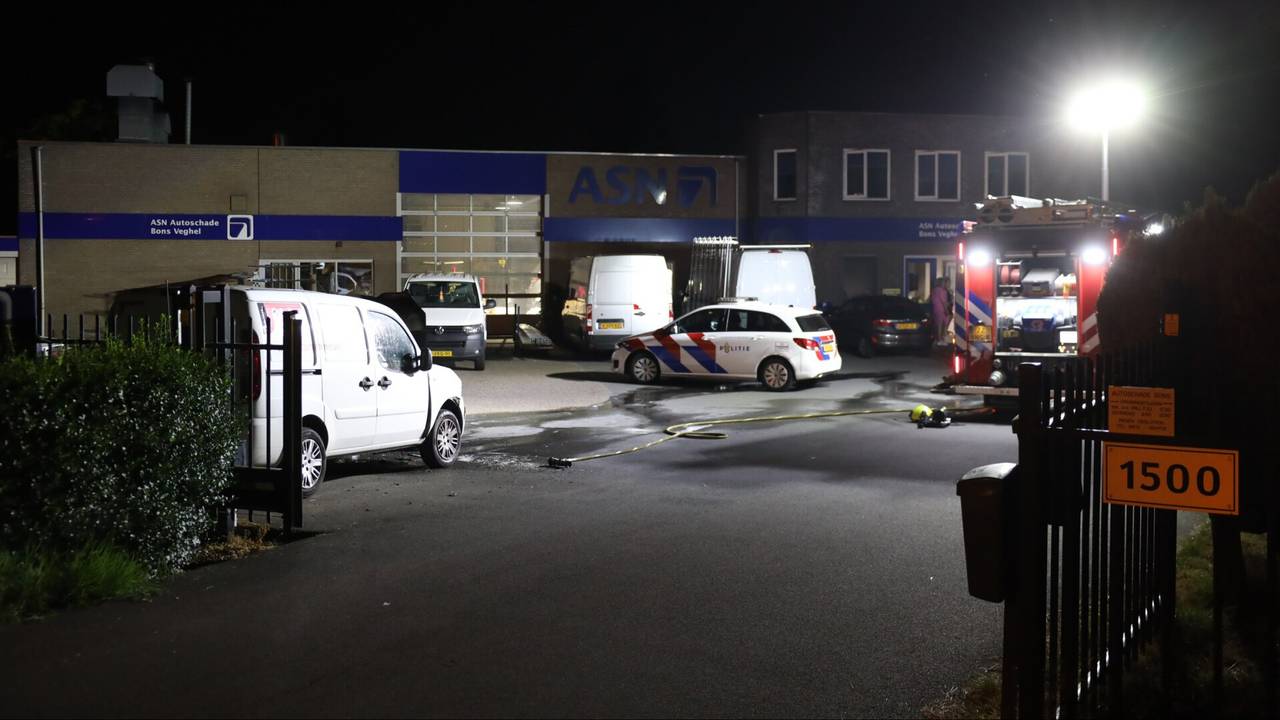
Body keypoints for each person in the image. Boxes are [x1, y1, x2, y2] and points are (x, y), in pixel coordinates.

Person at [930, 277, 951, 346]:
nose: (945, 284)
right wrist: (946, 310)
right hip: (941, 309)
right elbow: (944, 302)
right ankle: (940, 340)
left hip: (936, 309)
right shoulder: (942, 291)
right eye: (944, 282)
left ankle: (939, 339)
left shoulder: (935, 290)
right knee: (941, 325)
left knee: (939, 325)